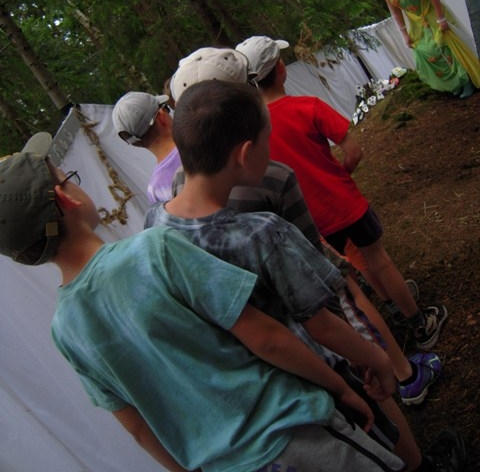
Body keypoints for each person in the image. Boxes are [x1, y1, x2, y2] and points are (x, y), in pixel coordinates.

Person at [0, 133, 408, 472]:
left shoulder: (64, 330)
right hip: (291, 432)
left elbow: (138, 428)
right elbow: (265, 338)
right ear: (66, 199)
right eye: (69, 179)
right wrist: (340, 389)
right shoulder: (153, 250)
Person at [145, 78, 465, 472]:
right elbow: (321, 323)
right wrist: (378, 359)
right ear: (245, 154)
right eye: (266, 141)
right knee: (372, 429)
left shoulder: (155, 223)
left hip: (256, 387)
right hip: (314, 366)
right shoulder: (262, 234)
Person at [167, 47, 442, 408]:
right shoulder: (271, 172)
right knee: (352, 293)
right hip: (314, 272)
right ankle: (404, 372)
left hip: (278, 333)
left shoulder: (179, 188)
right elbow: (320, 268)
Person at [235, 36, 448, 353]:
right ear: (281, 69)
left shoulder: (253, 133)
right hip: (344, 203)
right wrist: (340, 175)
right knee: (379, 260)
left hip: (310, 222)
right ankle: (419, 323)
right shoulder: (309, 106)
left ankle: (392, 309)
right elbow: (354, 151)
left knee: (356, 267)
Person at [368, 0, 480, 98]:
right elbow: (396, 12)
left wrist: (441, 18)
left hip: (432, 13)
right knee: (428, 51)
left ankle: (467, 80)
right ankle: (455, 83)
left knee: (446, 45)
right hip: (416, 22)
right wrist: (404, 33)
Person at [112, 91, 180, 203]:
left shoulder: (155, 191)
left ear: (135, 143)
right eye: (165, 108)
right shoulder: (201, 142)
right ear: (162, 116)